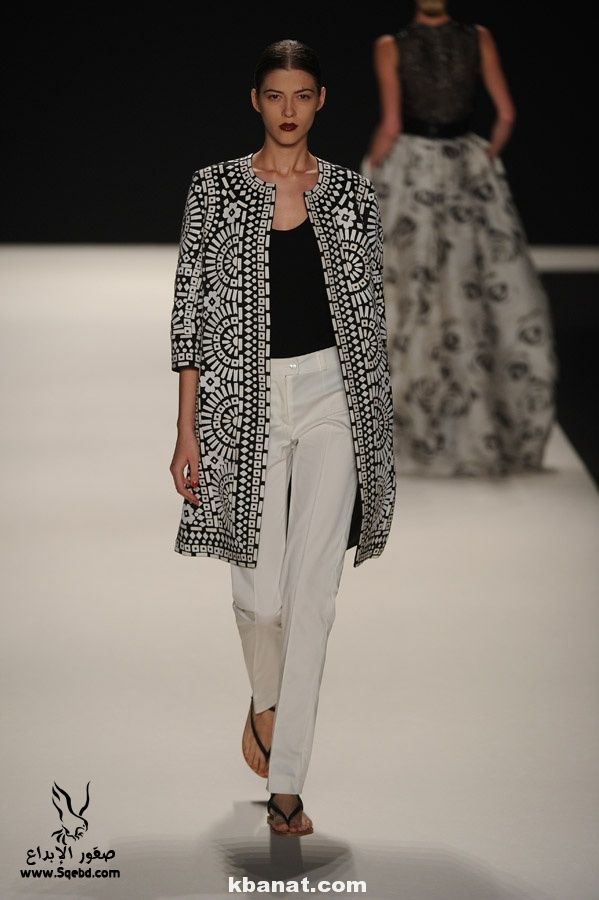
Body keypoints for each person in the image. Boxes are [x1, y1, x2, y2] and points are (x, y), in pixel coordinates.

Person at [169, 39, 396, 837]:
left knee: (313, 597)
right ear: (255, 101)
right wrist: (185, 427)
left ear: (321, 100)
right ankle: (266, 703)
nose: (289, 109)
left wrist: (376, 427)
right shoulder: (214, 189)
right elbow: (190, 310)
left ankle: (287, 784)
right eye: (275, 95)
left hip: (333, 394)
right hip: (245, 402)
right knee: (258, 597)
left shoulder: (350, 195)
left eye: (302, 95)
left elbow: (369, 318)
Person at [361, 0, 558, 476]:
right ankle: (483, 426)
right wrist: (485, 157)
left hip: (413, 174)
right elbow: (505, 113)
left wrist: (369, 172)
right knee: (477, 289)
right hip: (464, 170)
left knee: (411, 291)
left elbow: (391, 125)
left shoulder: (390, 46)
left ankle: (413, 428)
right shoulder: (478, 38)